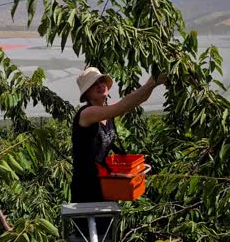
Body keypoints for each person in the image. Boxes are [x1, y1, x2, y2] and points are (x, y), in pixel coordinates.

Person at [70, 67, 166, 236]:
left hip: (104, 186)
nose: (101, 85)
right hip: (87, 189)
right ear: (86, 94)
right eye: (94, 84)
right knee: (91, 235)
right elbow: (123, 106)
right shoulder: (87, 113)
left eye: (102, 81)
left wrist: (154, 85)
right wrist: (152, 81)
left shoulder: (107, 114)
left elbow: (135, 101)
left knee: (107, 234)